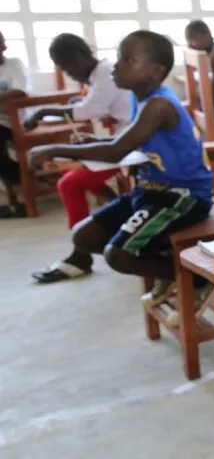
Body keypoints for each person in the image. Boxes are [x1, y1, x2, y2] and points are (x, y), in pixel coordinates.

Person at [27, 31, 214, 317]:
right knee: (84, 237)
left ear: (155, 72)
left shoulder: (159, 104)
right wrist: (96, 143)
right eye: (118, 58)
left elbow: (117, 152)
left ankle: (196, 277)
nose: (116, 66)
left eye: (128, 60)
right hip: (151, 190)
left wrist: (54, 148)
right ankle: (168, 269)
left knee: (118, 255)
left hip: (182, 197)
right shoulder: (139, 98)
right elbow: (127, 142)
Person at [23, 34, 133, 282]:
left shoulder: (106, 73)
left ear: (79, 57)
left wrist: (44, 110)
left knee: (70, 182)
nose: (67, 72)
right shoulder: (99, 75)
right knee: (71, 172)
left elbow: (90, 110)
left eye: (65, 66)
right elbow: (92, 105)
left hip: (130, 145)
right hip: (122, 140)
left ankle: (81, 254)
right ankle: (113, 205)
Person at [0, 29, 30, 218]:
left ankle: (21, 193)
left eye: (2, 42)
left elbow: (19, 92)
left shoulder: (14, 65)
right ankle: (15, 197)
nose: (5, 46)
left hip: (17, 121)